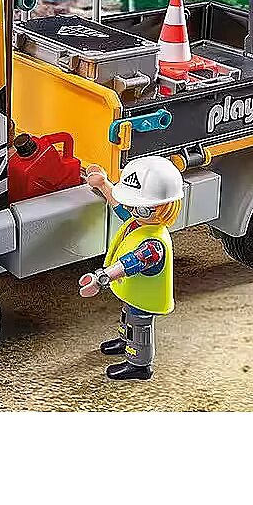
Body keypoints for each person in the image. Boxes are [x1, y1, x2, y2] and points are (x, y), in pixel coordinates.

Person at [79, 156, 183, 381]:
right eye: (132, 204)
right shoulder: (138, 222)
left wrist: (101, 278)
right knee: (127, 317)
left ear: (165, 208)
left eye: (142, 208)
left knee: (139, 328)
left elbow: (130, 263)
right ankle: (125, 341)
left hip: (145, 299)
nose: (133, 210)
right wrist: (104, 184)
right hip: (133, 294)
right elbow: (119, 208)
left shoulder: (154, 244)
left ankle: (139, 365)